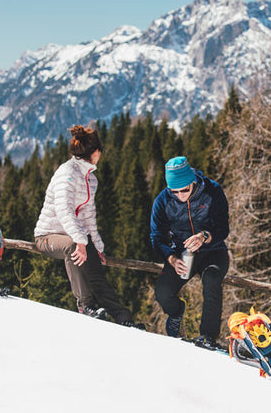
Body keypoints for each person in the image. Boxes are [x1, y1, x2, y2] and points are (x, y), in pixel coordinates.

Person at [34, 125, 142, 328]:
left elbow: (89, 217)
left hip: (75, 237)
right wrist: (81, 242)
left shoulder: (91, 179)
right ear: (95, 152)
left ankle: (122, 317)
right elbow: (64, 210)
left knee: (95, 271)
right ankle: (85, 306)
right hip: (47, 237)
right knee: (73, 248)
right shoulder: (66, 173)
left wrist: (96, 246)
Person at [150, 156, 230, 348]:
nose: (180, 195)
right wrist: (170, 257)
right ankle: (176, 312)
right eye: (174, 191)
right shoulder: (162, 201)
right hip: (182, 254)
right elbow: (156, 237)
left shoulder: (212, 191)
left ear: (192, 181)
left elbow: (223, 227)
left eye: (184, 189)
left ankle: (208, 336)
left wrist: (204, 236)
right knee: (162, 292)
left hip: (213, 250)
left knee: (212, 280)